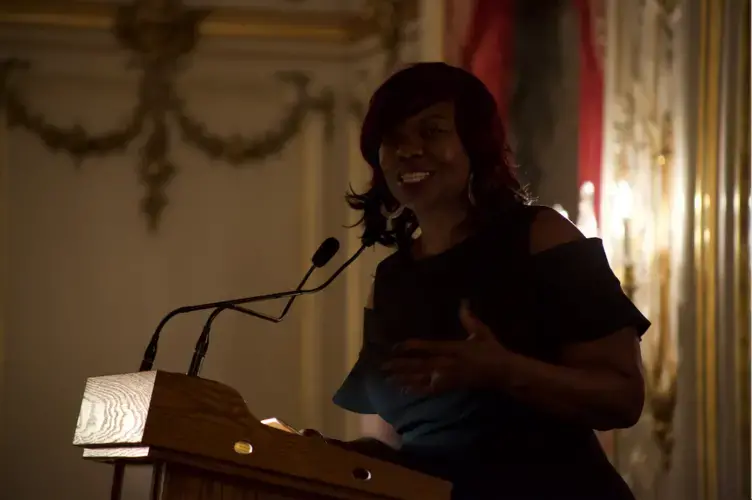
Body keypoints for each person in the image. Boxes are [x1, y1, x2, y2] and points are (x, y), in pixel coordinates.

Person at [311, 62, 649, 499]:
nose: (409, 150)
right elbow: (413, 442)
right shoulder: (391, 279)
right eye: (393, 138)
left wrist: (503, 370)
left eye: (431, 131)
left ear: (476, 146)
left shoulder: (538, 238)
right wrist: (330, 457)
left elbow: (623, 398)